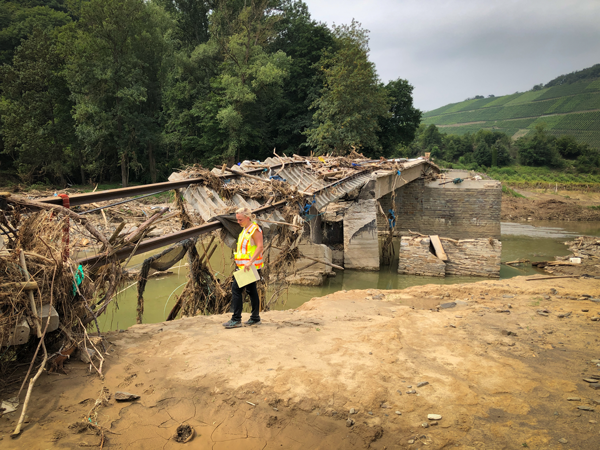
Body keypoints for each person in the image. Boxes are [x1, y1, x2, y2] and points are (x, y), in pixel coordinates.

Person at [223, 207, 264, 329]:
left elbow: (260, 246)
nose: (238, 222)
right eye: (237, 220)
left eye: (240, 219)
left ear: (248, 218)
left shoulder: (254, 229)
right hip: (245, 266)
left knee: (236, 289)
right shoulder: (245, 229)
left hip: (249, 267)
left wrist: (250, 262)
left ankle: (236, 319)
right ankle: (255, 318)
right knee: (251, 291)